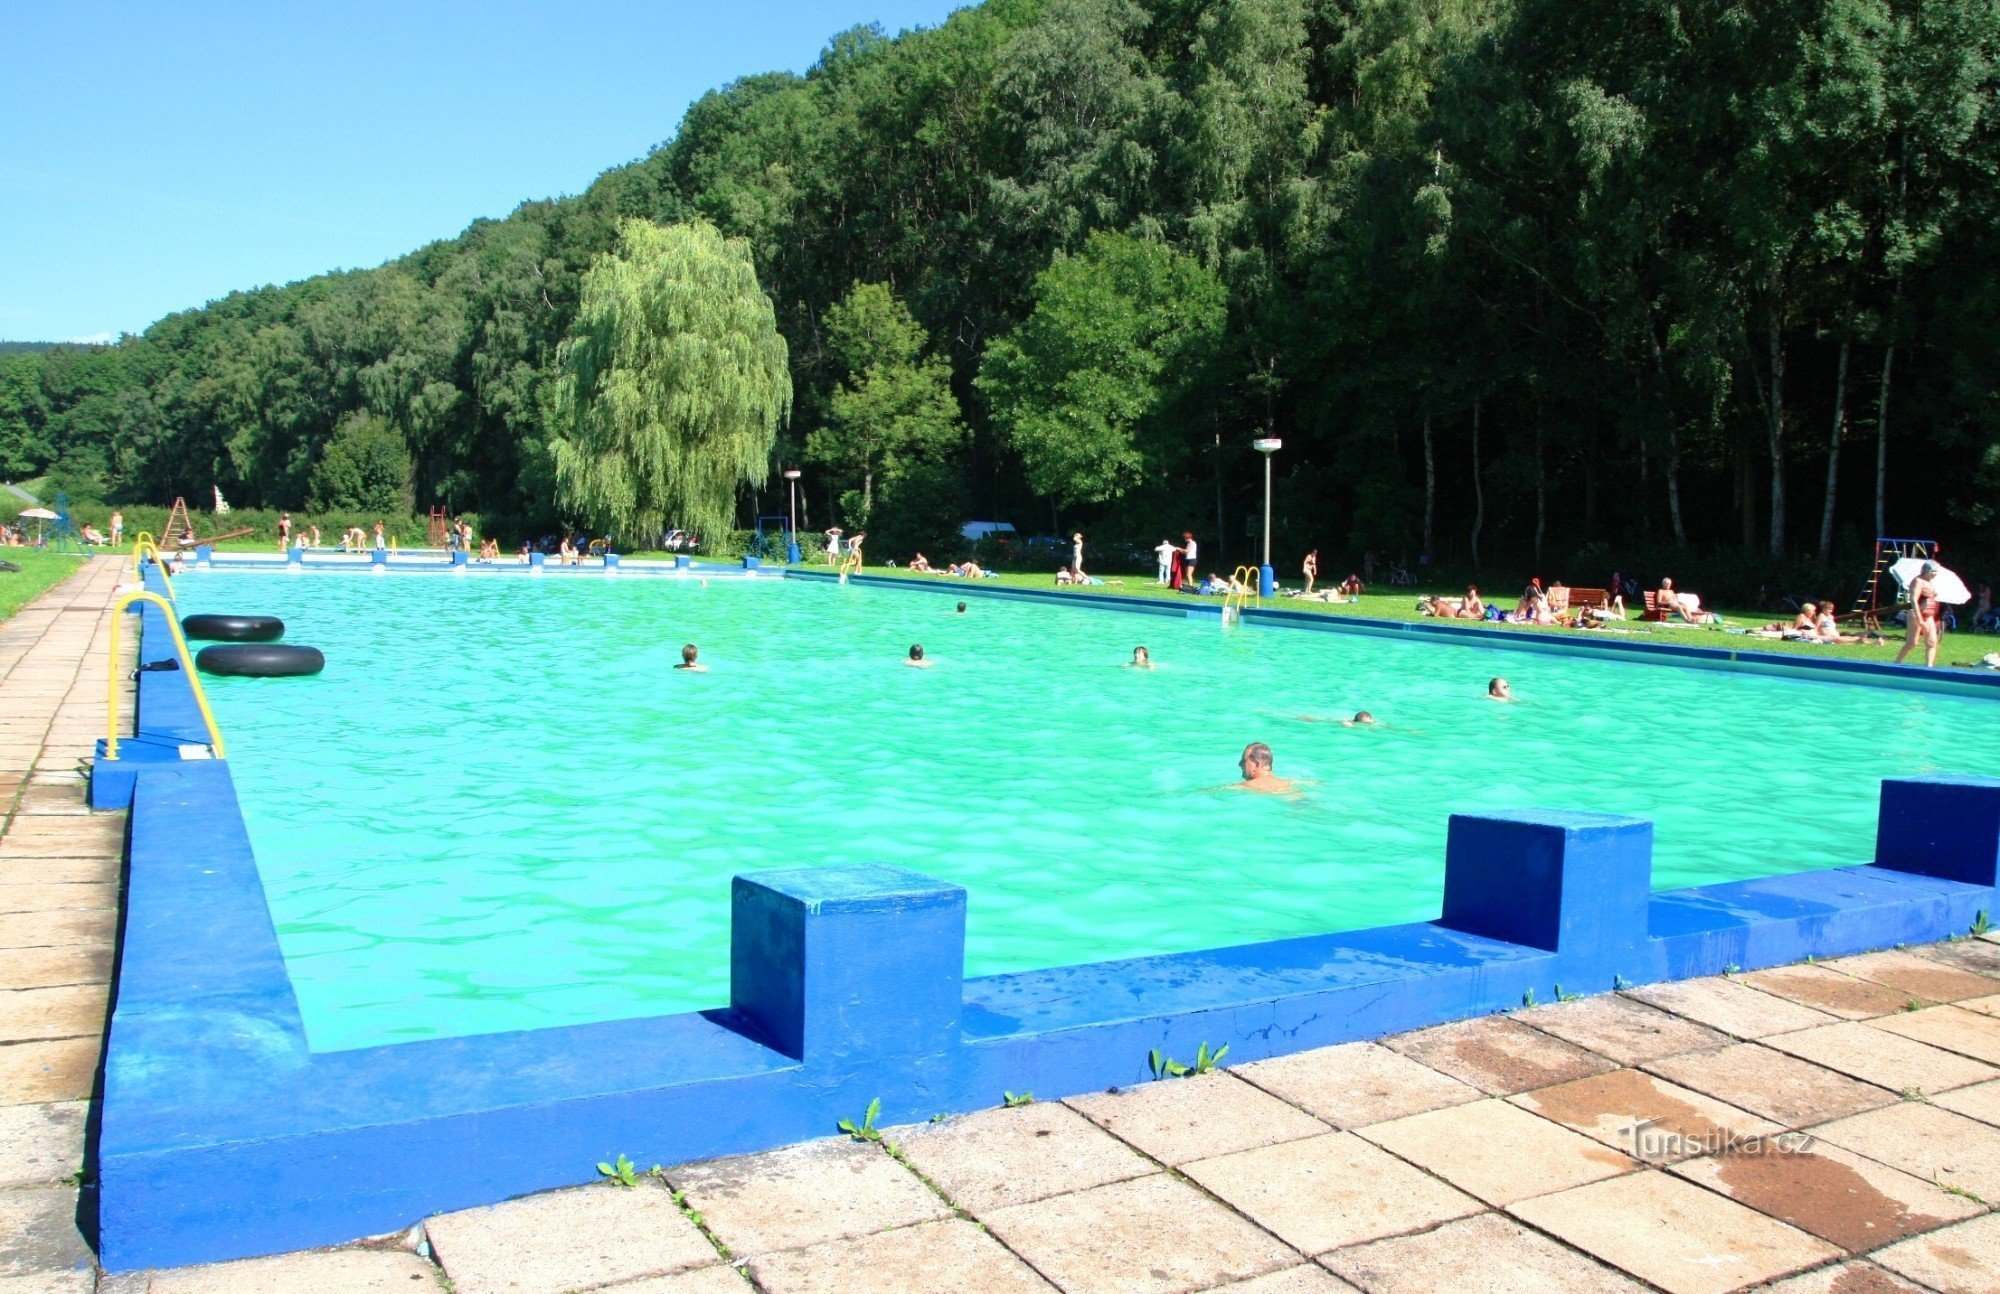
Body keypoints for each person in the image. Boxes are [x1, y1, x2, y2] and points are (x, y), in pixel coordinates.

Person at [1895, 561, 1944, 667]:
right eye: (1933, 571)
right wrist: (1919, 617)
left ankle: (1929, 667)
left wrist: (1933, 594)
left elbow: (1929, 596)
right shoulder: (1918, 581)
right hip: (1917, 614)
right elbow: (1913, 600)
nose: (1935, 574)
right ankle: (1896, 663)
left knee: (1932, 642)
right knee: (1912, 643)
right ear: (1927, 570)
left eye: (1936, 571)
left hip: (1929, 616)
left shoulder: (1929, 582)